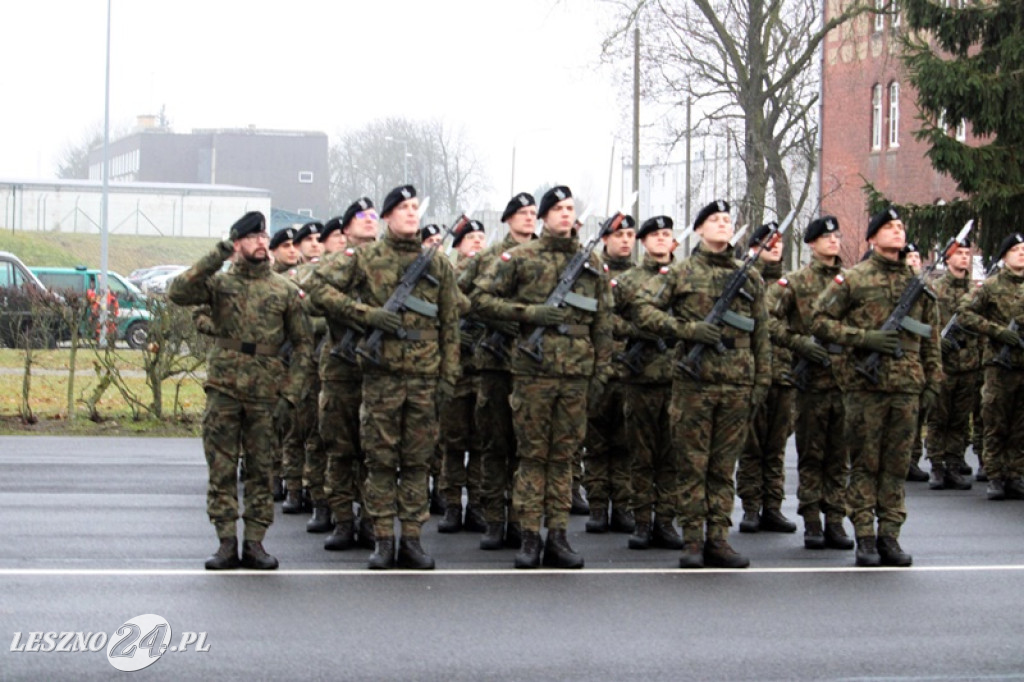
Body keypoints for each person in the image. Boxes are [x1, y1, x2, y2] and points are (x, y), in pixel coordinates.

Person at [309, 185, 459, 570]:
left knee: (417, 463)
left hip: (424, 379)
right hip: (381, 378)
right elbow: (316, 287)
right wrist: (365, 314)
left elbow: (450, 325)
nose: (411, 213)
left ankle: (411, 539)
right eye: (402, 207)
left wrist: (448, 376)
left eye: (415, 207)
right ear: (388, 216)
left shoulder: (437, 264)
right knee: (379, 462)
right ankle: (382, 539)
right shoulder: (366, 257)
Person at [472, 185, 613, 569]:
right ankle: (530, 535)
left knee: (564, 459)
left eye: (570, 208)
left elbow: (603, 321)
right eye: (558, 208)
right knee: (533, 457)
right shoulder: (521, 257)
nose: (566, 214)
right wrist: (528, 314)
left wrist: (601, 372)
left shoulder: (591, 262)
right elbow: (480, 299)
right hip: (533, 373)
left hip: (576, 374)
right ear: (544, 216)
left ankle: (559, 536)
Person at [168, 211, 313, 570]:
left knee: (261, 471)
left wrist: (291, 394)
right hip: (224, 389)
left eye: (264, 237)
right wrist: (219, 253)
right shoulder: (220, 285)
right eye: (253, 237)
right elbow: (178, 291)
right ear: (238, 243)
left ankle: (255, 543)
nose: (261, 243)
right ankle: (225, 542)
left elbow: (303, 345)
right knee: (221, 468)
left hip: (267, 392)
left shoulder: (284, 289)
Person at [634, 200, 770, 569]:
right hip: (694, 384)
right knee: (692, 464)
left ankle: (718, 539)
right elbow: (643, 310)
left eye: (727, 220)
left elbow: (761, 334)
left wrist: (761, 381)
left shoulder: (749, 276)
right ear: (699, 230)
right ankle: (693, 539)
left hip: (738, 383)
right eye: (715, 220)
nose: (723, 224)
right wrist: (686, 330)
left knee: (723, 467)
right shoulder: (681, 272)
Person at [812, 206, 942, 567]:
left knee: (896, 466)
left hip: (906, 388)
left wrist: (933, 381)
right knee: (865, 465)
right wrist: (864, 338)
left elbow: (931, 338)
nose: (897, 231)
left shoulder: (918, 284)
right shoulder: (854, 279)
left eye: (900, 226)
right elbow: (820, 321)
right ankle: (865, 536)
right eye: (888, 227)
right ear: (872, 238)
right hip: (865, 387)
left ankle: (890, 536)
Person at [771, 216, 853, 550]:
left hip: (845, 380)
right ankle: (812, 520)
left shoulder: (851, 281)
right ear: (811, 243)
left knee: (839, 457)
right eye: (826, 236)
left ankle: (835, 518)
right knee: (811, 455)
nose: (833, 241)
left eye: (836, 235)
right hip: (811, 382)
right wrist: (798, 343)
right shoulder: (795, 282)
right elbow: (768, 320)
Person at [464, 192, 537, 550]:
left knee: (528, 449)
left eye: (533, 212)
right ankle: (494, 519)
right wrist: (496, 319)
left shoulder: (545, 256)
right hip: (495, 364)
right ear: (508, 219)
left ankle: (522, 520)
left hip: (535, 366)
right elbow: (461, 298)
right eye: (522, 213)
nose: (529, 218)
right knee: (494, 446)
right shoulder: (489, 257)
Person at [309, 198, 380, 551]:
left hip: (378, 370)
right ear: (347, 227)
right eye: (362, 216)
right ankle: (342, 520)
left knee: (374, 452)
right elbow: (311, 299)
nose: (369, 220)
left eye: (373, 216)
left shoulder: (388, 263)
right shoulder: (333, 265)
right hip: (339, 369)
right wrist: (355, 313)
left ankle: (370, 520)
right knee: (339, 450)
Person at [614, 216, 684, 550]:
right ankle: (642, 521)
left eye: (666, 234)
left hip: (678, 379)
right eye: (655, 234)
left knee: (671, 456)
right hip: (640, 378)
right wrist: (636, 331)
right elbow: (606, 317)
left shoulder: (685, 277)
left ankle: (666, 521)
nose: (661, 239)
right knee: (641, 455)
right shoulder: (628, 280)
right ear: (643, 241)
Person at [736, 222, 798, 535]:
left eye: (779, 242)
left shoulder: (791, 284)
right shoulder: (744, 280)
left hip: (784, 375)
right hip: (751, 374)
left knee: (775, 448)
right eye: (768, 242)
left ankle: (772, 506)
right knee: (751, 446)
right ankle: (750, 507)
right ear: (755, 247)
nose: (775, 246)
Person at [957, 232, 1024, 501]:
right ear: (1005, 256)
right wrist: (997, 332)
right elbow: (965, 314)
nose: (1022, 253)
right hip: (999, 365)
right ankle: (995, 475)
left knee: (1020, 424)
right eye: (1016, 250)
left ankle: (1015, 474)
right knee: (995, 421)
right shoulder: (991, 286)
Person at [584, 215, 637, 535]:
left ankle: (623, 506)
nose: (626, 240)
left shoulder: (641, 276)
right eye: (619, 235)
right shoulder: (591, 273)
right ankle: (597, 505)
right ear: (605, 239)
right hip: (599, 370)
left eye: (630, 235)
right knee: (596, 444)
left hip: (631, 371)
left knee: (625, 445)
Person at [437, 219, 488, 534]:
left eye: (482, 237)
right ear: (457, 245)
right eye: (471, 237)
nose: (478, 242)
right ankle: (453, 504)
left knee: (482, 442)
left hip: (483, 369)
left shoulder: (491, 276)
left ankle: (478, 504)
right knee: (452, 442)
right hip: (456, 371)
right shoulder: (447, 276)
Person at [925, 237, 978, 491]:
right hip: (942, 364)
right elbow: (924, 322)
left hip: (968, 363)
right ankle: (936, 466)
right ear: (948, 259)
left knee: (959, 419)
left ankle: (954, 464)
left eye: (967, 253)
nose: (964, 257)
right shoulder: (934, 289)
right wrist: (938, 341)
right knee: (938, 418)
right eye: (959, 253)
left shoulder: (976, 291)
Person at [901, 243, 931, 483]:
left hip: (918, 364)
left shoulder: (927, 290)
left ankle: (912, 460)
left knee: (917, 417)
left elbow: (932, 329)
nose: (913, 261)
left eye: (916, 257)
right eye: (909, 256)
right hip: (897, 361)